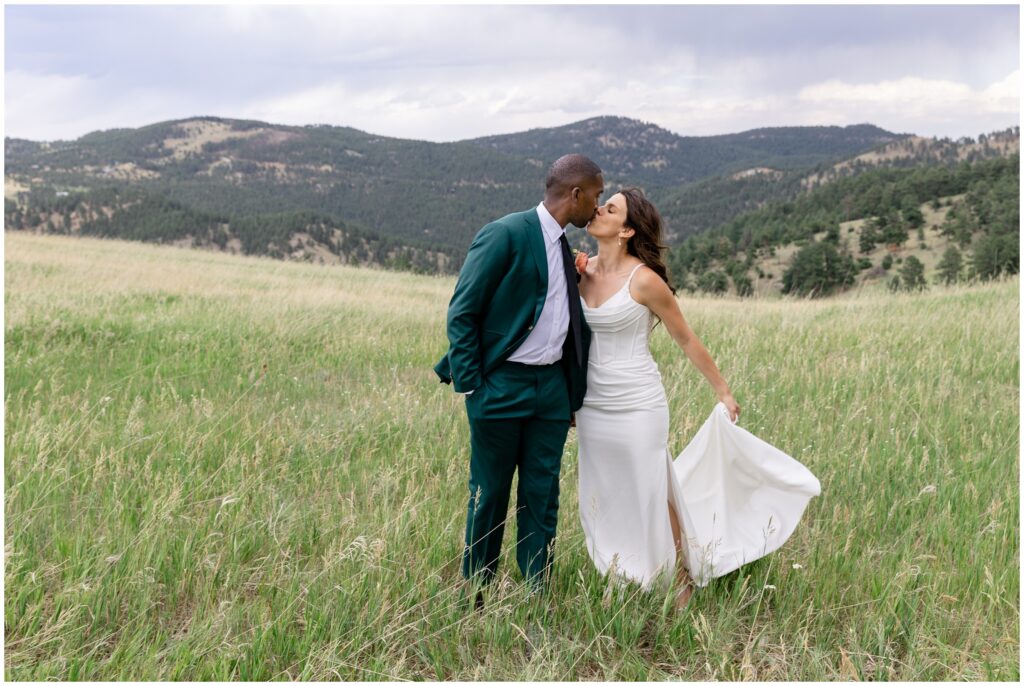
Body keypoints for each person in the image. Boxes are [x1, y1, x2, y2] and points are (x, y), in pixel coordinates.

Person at [575, 187, 818, 610]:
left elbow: (685, 337)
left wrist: (723, 390)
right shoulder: (580, 270)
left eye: (610, 208)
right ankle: (621, 569)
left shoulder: (644, 279)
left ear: (627, 230)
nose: (597, 210)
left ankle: (681, 577)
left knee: (650, 485)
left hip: (637, 401)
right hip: (593, 403)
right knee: (605, 487)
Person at [434, 154, 603, 608]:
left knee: (542, 494)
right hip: (499, 387)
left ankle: (536, 593)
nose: (598, 205)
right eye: (596, 194)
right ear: (575, 194)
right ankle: (477, 592)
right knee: (489, 492)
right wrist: (472, 385)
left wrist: (568, 395)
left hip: (549, 392)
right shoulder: (505, 233)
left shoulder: (566, 251)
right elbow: (462, 311)